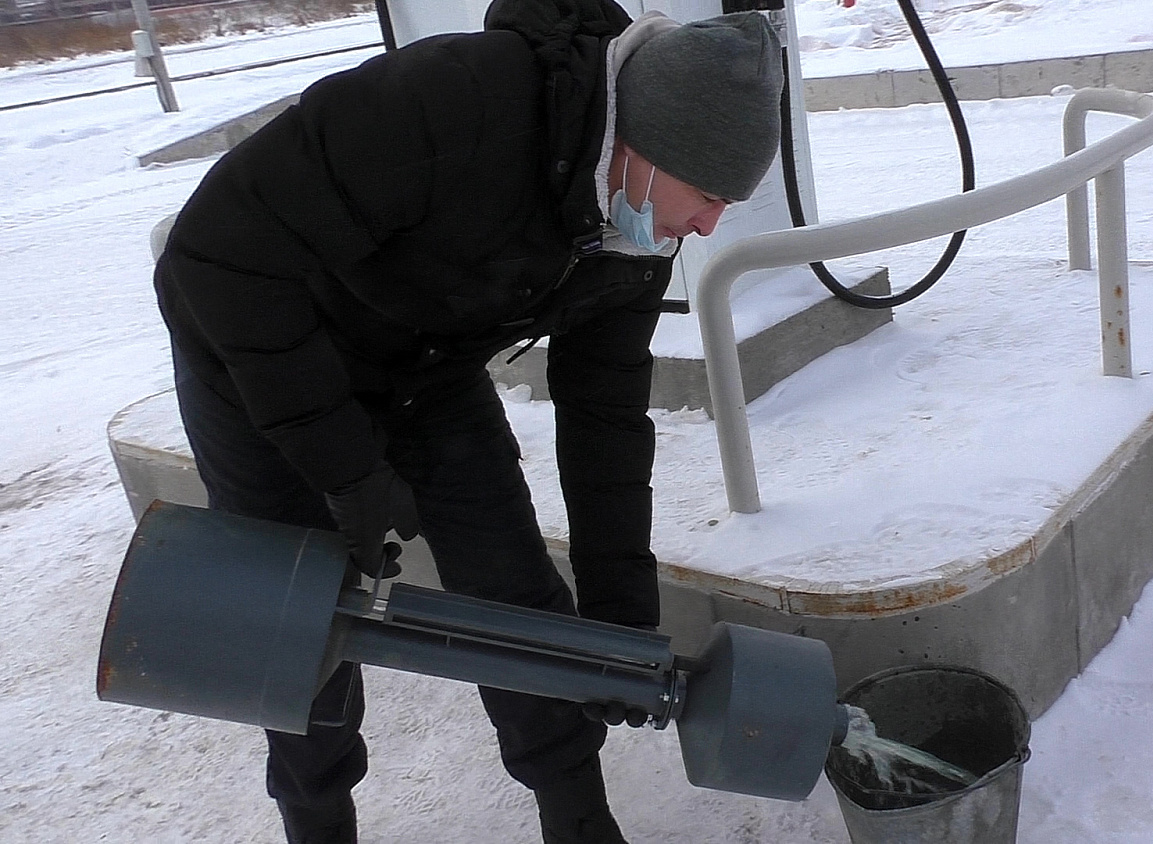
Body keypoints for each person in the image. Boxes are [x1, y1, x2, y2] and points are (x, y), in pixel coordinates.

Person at [150, 0, 783, 840]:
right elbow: (215, 253)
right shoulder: (456, 102)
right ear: (637, 146)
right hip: (256, 348)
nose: (707, 225)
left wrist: (620, 618)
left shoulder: (633, 231)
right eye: (707, 195)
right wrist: (345, 468)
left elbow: (606, 417)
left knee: (516, 590)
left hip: (423, 366)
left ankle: (578, 817)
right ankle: (318, 816)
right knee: (295, 615)